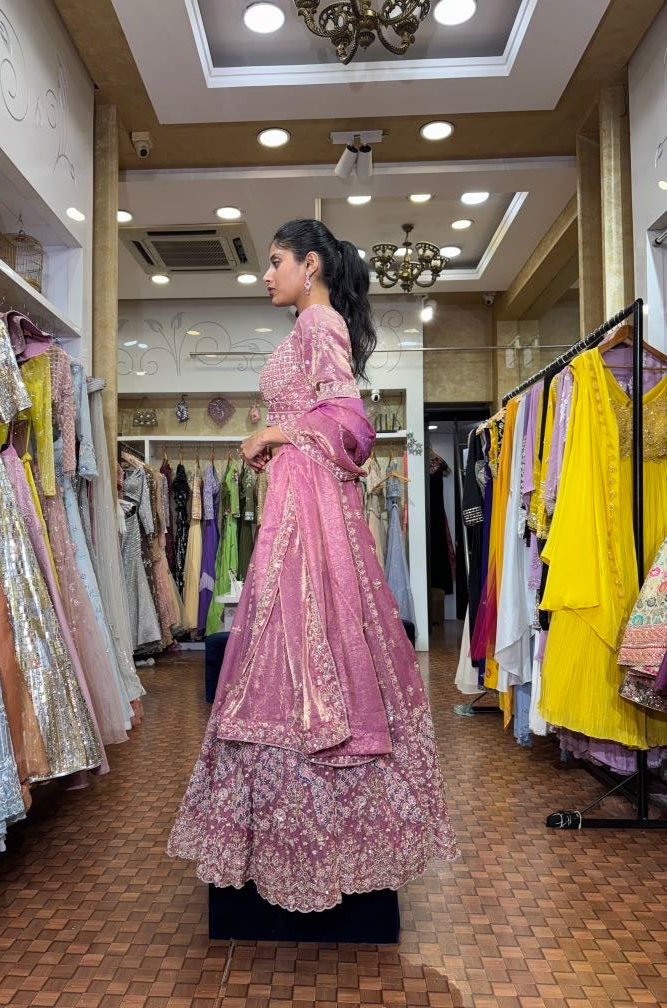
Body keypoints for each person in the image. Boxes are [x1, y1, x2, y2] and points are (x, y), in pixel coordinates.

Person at [167, 218, 458, 913]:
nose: (265, 275)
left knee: (299, 637)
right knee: (289, 634)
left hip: (310, 508)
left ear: (312, 266)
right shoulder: (311, 326)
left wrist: (275, 430)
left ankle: (316, 840)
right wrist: (284, 438)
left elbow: (353, 424)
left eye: (275, 263)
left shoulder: (318, 321)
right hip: (298, 498)